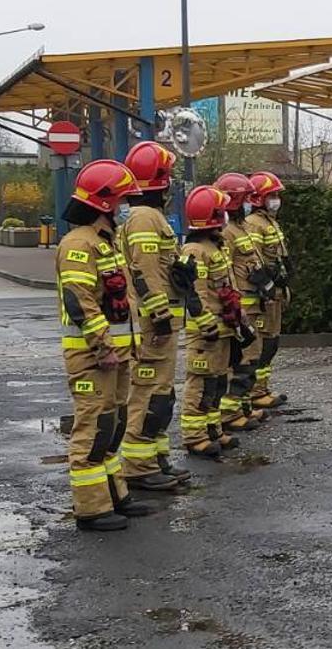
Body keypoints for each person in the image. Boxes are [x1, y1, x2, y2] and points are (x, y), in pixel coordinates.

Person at [55, 159, 159, 531]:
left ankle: (116, 496)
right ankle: (91, 509)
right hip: (93, 357)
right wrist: (104, 347)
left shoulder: (105, 242)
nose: (126, 208)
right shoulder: (78, 245)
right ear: (104, 203)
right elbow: (79, 302)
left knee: (112, 427)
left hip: (115, 355)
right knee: (93, 429)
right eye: (122, 201)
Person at [116, 142, 188, 492]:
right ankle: (138, 466)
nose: (173, 181)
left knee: (161, 395)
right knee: (148, 394)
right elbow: (144, 271)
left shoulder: (148, 216)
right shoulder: (145, 218)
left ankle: (154, 458)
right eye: (169, 174)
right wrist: (159, 315)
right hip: (152, 326)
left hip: (161, 324)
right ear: (160, 180)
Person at [174, 185, 248, 460]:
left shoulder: (215, 246)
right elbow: (196, 292)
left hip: (222, 326)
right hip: (206, 331)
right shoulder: (195, 250)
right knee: (201, 383)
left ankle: (212, 429)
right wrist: (207, 324)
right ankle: (195, 437)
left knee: (217, 382)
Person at [212, 172, 265, 433]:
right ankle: (230, 412)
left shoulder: (241, 227)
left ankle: (242, 406)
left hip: (252, 303)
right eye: (245, 198)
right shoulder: (228, 232)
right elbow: (227, 271)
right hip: (241, 306)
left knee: (250, 356)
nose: (249, 203)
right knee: (241, 359)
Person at [242, 171, 290, 411]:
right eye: (271, 195)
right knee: (261, 345)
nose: (276, 199)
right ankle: (254, 392)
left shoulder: (270, 222)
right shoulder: (253, 224)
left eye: (277, 195)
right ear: (258, 199)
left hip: (275, 294)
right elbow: (253, 262)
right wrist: (268, 284)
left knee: (272, 342)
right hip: (262, 296)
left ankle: (262, 388)